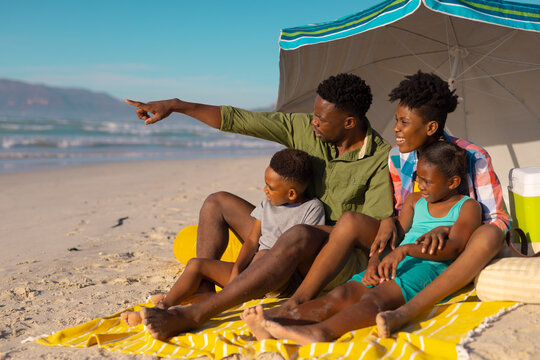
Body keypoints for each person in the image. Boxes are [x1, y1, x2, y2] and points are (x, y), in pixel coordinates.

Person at [126, 73, 394, 339]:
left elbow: (367, 231)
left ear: (349, 122)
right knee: (217, 202)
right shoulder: (305, 129)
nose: (314, 122)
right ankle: (205, 291)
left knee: (298, 233)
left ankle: (196, 314)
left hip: (325, 259)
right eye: (314, 114)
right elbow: (239, 120)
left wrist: (305, 233)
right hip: (282, 238)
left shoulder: (379, 158)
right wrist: (176, 105)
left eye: (321, 119)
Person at [268, 71, 510, 338]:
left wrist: (449, 231)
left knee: (490, 233)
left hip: (452, 243)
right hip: (407, 235)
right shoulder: (397, 157)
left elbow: (497, 218)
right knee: (350, 224)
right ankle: (294, 306)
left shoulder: (473, 157)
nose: (395, 129)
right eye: (397, 121)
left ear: (430, 127)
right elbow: (400, 212)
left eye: (404, 122)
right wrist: (380, 247)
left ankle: (405, 310)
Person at [242, 141, 482, 344]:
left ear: (452, 183)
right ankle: (277, 324)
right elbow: (393, 236)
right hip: (395, 258)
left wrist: (406, 250)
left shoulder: (467, 206)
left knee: (376, 299)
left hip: (429, 266)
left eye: (428, 181)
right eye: (419, 178)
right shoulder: (415, 200)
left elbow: (456, 247)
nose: (421, 185)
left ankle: (322, 332)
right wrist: (375, 259)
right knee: (342, 293)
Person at [121, 148, 325, 326]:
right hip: (252, 272)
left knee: (265, 256)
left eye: (270, 187)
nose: (265, 190)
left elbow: (307, 253)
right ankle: (162, 307)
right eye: (265, 184)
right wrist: (237, 271)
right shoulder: (267, 203)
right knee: (195, 264)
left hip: (281, 279)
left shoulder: (312, 209)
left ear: (291, 194)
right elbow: (253, 241)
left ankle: (194, 306)